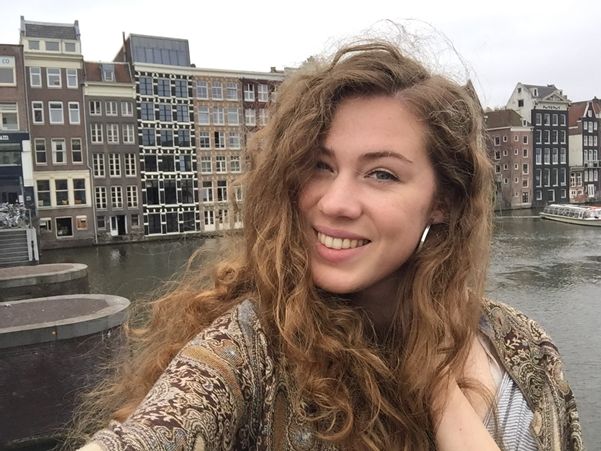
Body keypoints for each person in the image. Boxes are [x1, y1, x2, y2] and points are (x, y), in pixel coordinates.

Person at [77, 40, 582, 451]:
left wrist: (440, 388)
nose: (335, 203)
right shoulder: (251, 348)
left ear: (442, 202)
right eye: (321, 166)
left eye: (381, 174)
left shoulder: (523, 348)